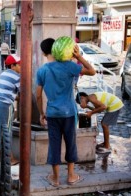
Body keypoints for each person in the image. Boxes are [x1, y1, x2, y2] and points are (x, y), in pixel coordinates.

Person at [36, 37, 96, 187]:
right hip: (69, 113)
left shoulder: (42, 70)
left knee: (54, 144)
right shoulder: (70, 66)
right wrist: (78, 56)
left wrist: (41, 113)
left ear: (44, 53)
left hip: (52, 113)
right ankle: (71, 176)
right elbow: (92, 71)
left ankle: (55, 179)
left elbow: (37, 95)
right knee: (71, 143)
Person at [0, 54, 21, 166]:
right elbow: (23, 94)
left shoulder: (3, 74)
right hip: (4, 105)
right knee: (6, 131)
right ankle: (10, 158)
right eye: (19, 65)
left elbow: (6, 90)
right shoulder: (17, 77)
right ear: (13, 66)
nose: (21, 67)